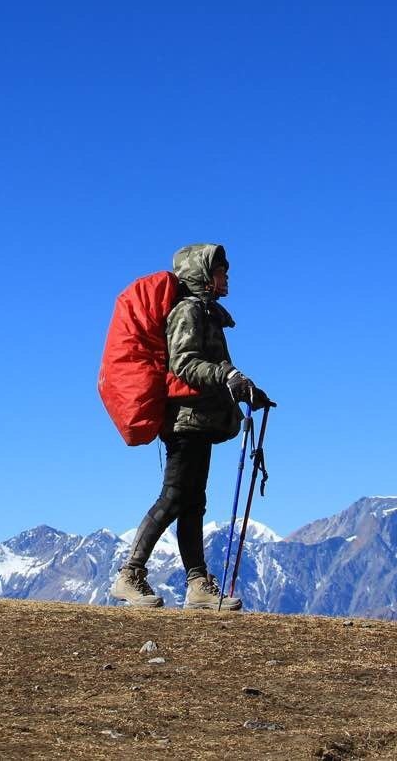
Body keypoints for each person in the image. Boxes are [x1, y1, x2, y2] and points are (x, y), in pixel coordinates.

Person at [111, 243, 269, 611]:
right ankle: (129, 574)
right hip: (184, 419)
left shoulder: (206, 312)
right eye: (220, 269)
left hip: (199, 417)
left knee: (192, 502)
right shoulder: (187, 310)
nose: (226, 275)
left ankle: (197, 584)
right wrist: (227, 375)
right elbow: (184, 364)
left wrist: (246, 391)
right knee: (175, 497)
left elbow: (204, 367)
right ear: (203, 274)